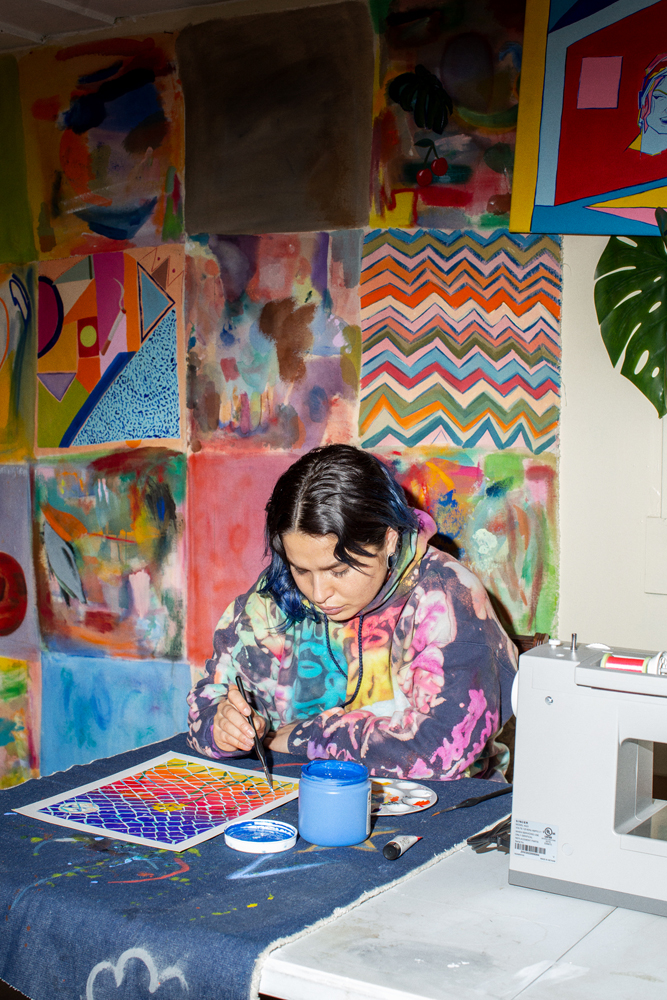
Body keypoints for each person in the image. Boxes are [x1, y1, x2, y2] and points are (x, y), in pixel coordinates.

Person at [187, 445, 518, 780]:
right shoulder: (277, 594)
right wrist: (222, 728)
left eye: (339, 570)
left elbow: (442, 750)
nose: (319, 593)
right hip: (298, 792)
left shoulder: (447, 597)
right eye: (301, 569)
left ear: (389, 540)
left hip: (444, 803)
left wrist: (310, 737)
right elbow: (205, 707)